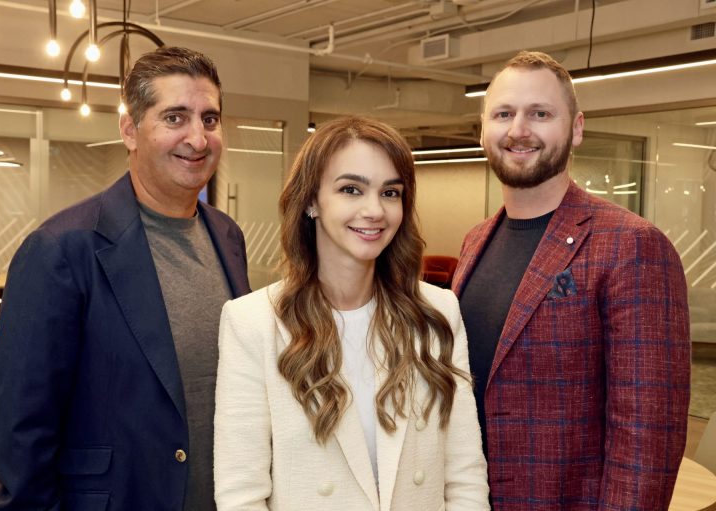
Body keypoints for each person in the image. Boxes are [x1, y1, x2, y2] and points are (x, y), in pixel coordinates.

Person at [0, 46, 250, 511]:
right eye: (175, 118)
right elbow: (24, 437)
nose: (197, 137)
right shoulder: (60, 250)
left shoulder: (228, 236)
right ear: (130, 130)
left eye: (210, 119)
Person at [453, 50, 690, 510]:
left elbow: (648, 438)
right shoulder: (475, 240)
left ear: (576, 128)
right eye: (504, 114)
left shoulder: (632, 245)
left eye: (540, 113)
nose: (519, 129)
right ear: (483, 130)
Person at [213, 116, 489, 510]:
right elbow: (242, 495)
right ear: (311, 201)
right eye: (351, 189)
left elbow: (464, 478)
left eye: (390, 193)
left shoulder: (437, 313)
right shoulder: (254, 322)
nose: (374, 210)